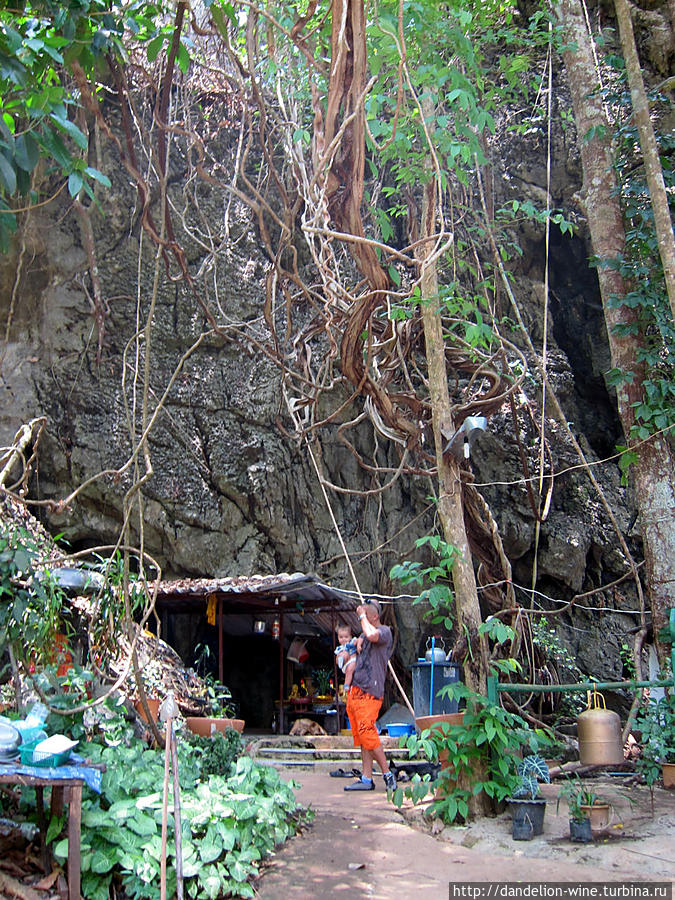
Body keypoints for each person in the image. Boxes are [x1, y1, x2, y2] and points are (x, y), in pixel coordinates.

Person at [344, 599, 397, 793]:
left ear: (374, 616)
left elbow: (372, 634)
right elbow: (361, 639)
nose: (362, 618)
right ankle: (366, 778)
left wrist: (361, 616)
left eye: (367, 614)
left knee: (367, 731)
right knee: (361, 735)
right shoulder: (364, 634)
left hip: (371, 691)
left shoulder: (384, 632)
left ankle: (387, 773)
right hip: (357, 689)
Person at [334, 624, 357, 691]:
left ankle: (346, 684)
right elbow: (336, 660)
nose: (343, 639)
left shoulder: (352, 642)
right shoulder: (339, 648)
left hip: (353, 660)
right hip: (345, 664)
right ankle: (342, 660)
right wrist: (338, 658)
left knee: (349, 670)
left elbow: (357, 641)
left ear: (350, 637)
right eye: (341, 637)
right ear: (338, 638)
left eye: (346, 637)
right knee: (342, 655)